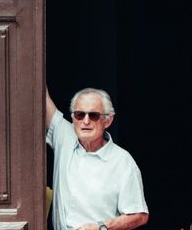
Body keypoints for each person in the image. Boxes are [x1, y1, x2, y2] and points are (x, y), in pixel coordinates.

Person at [46, 86, 149, 230]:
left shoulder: (122, 161)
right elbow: (42, 97)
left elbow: (139, 215)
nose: (86, 121)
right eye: (79, 114)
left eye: (93, 115)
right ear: (73, 118)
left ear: (107, 120)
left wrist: (101, 227)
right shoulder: (64, 137)